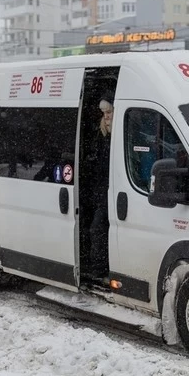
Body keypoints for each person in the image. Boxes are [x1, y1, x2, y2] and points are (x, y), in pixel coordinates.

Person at [87, 99, 113, 282]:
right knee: (97, 229)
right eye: (104, 113)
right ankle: (99, 269)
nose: (106, 116)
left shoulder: (120, 135)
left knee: (100, 229)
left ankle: (103, 268)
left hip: (114, 192)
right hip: (102, 193)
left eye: (109, 111)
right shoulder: (100, 136)